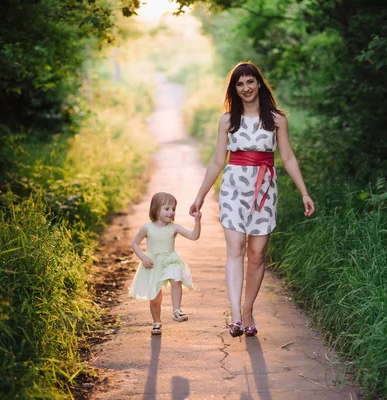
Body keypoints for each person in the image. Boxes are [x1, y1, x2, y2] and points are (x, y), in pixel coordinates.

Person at [189, 62, 315, 338]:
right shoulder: (227, 120)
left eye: (250, 82)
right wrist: (200, 196)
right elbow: (216, 161)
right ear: (234, 89)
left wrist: (304, 192)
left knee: (257, 256)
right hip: (234, 188)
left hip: (264, 189)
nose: (245, 88)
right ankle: (235, 315)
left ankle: (247, 311)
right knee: (236, 250)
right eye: (239, 84)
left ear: (259, 84)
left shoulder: (277, 119)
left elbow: (288, 157)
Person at [129, 192, 201, 335]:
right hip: (153, 264)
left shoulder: (174, 227)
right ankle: (156, 322)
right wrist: (143, 257)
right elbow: (135, 243)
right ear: (156, 210)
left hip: (170, 260)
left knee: (176, 279)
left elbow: (194, 236)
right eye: (167, 209)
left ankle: (176, 310)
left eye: (173, 209)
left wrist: (197, 222)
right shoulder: (147, 228)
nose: (171, 212)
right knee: (155, 297)